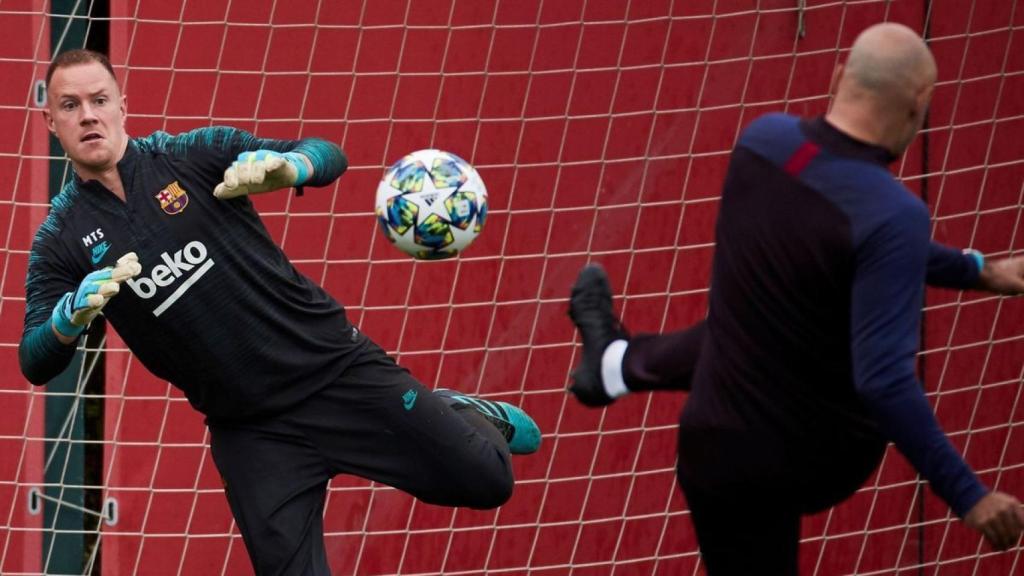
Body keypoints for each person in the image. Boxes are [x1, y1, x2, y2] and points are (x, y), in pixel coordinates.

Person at [20, 48, 540, 575]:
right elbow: (33, 359)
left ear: (122, 106)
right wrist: (67, 319)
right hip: (251, 432)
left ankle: (462, 411)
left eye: (99, 100)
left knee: (488, 479)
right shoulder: (58, 241)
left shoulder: (193, 154)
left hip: (335, 372)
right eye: (71, 105)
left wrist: (291, 167)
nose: (88, 114)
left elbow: (327, 154)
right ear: (50, 119)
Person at [567, 23, 1024, 575]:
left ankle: (614, 365)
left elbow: (862, 242)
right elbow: (884, 378)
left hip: (712, 448)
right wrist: (968, 495)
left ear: (837, 77)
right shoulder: (893, 213)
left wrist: (979, 272)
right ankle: (614, 366)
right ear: (920, 103)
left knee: (761, 314)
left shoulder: (763, 144)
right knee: (810, 324)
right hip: (813, 454)